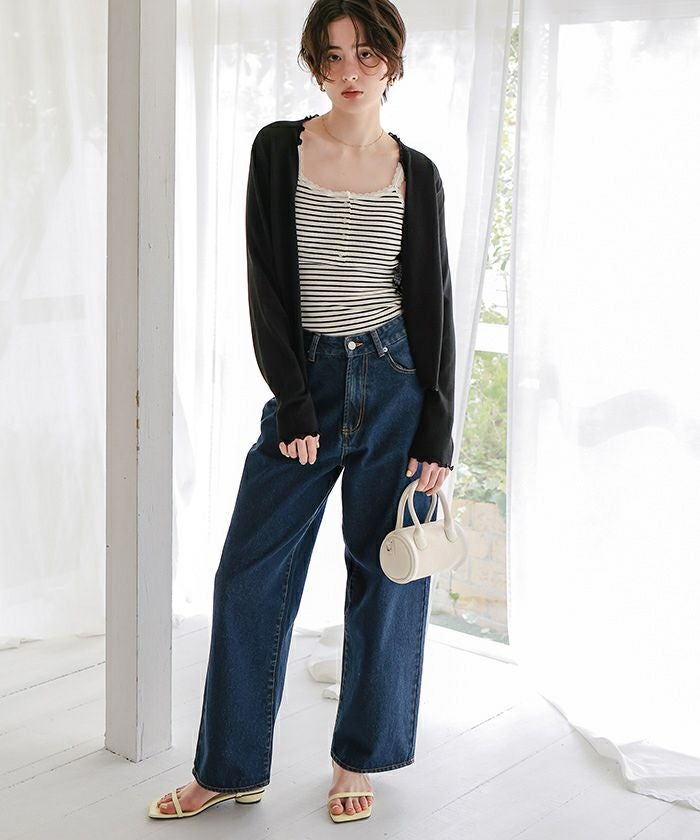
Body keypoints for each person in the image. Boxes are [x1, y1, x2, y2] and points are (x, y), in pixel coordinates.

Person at [148, 0, 456, 824]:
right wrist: (291, 401)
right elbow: (266, 283)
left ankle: (359, 758)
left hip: (395, 380)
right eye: (333, 56)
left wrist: (437, 425)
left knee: (386, 574)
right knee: (248, 575)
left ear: (393, 62)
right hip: (309, 382)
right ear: (315, 65)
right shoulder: (278, 149)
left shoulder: (417, 173)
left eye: (367, 54)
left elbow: (433, 303)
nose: (350, 72)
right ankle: (230, 767)